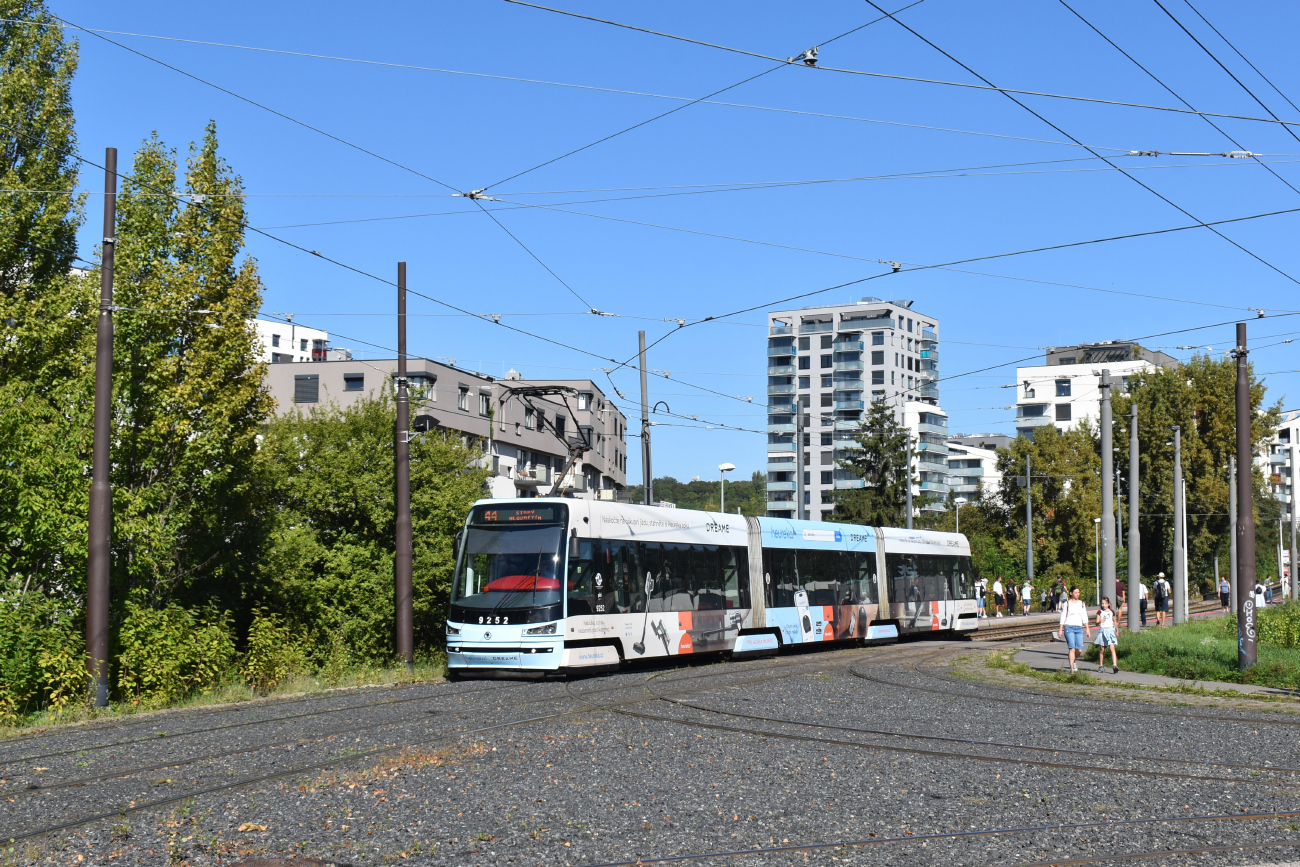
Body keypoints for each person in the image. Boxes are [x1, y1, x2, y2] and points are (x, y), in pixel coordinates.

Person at [1057, 586, 1091, 673]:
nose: (1077, 594)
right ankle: (1072, 668)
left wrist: (1087, 628)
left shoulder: (1081, 603)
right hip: (1069, 627)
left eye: (1078, 593)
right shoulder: (1067, 604)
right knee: (1072, 648)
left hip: (1079, 628)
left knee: (1079, 649)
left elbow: (1084, 616)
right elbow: (1063, 617)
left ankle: (1073, 661)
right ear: (1071, 593)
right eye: (1076, 593)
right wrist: (1061, 630)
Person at [1094, 596, 1119, 673]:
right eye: (1102, 603)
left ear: (1108, 604)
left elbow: (1115, 621)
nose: (1103, 605)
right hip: (1103, 631)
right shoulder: (1099, 612)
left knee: (1112, 648)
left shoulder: (1112, 612)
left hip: (1111, 630)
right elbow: (1096, 622)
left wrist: (1117, 630)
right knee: (1102, 649)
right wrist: (1099, 621)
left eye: (1105, 603)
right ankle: (1101, 665)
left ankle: (1115, 665)